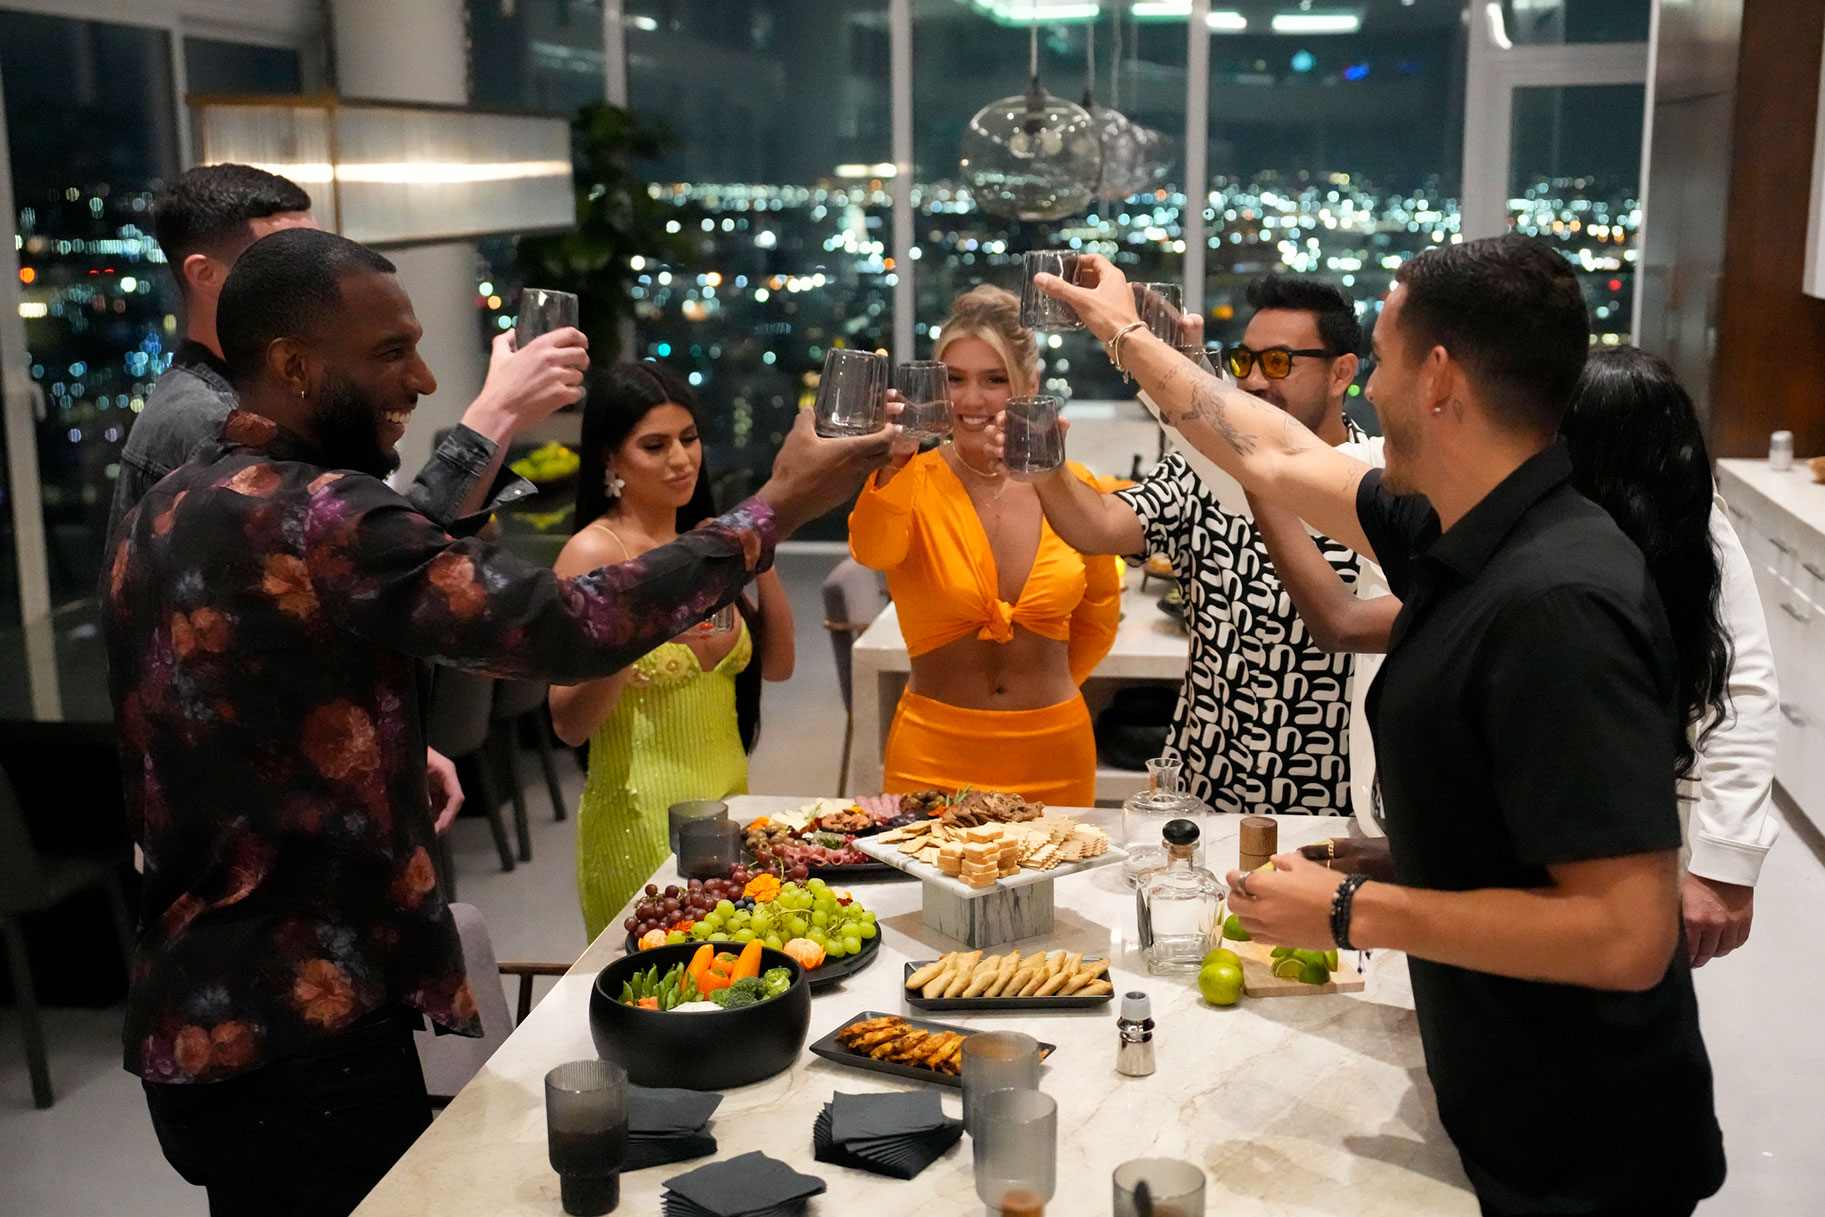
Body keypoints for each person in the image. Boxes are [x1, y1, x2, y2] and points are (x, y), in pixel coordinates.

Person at [104, 227, 894, 1217]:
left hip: (195, 1012)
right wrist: (774, 508)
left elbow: (263, 681)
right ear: (297, 365)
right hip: (307, 1023)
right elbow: (563, 626)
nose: (423, 377)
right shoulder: (322, 515)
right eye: (392, 352)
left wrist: (375, 752)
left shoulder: (172, 504)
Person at [1032, 237, 1724, 1217]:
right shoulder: (1459, 527)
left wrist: (1354, 911)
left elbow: (1627, 933)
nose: (1372, 392)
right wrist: (1118, 327)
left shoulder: (1558, 602)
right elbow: (1265, 448)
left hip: (1580, 1142)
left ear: (1438, 379)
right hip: (1499, 1088)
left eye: (1388, 359)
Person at [1252, 346, 1780, 967]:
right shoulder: (1496, 505)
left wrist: (1727, 864)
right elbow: (1289, 458)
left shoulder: (1648, 542)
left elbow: (1741, 688)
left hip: (1599, 854)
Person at [1031, 274, 1391, 814]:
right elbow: (1100, 527)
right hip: (1204, 791)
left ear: (1342, 371)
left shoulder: (1375, 484)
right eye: (1245, 363)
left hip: (1333, 806)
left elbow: (1349, 625)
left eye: (1278, 363)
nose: (1253, 383)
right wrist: (1046, 464)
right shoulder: (1201, 474)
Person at [107, 162, 588, 542]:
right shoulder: (207, 423)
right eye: (287, 257)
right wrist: (497, 412)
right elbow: (383, 564)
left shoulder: (256, 395)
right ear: (205, 275)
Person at [847, 285, 1121, 806]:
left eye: (994, 380)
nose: (971, 401)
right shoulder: (912, 476)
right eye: (954, 380)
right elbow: (874, 552)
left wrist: (1044, 698)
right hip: (932, 752)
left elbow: (1100, 616)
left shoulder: (1071, 485)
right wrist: (896, 459)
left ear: (1030, 384)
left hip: (1053, 750)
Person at [549, 362, 794, 938]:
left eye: (689, 439)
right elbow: (568, 724)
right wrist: (641, 615)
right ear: (610, 457)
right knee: (661, 997)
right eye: (654, 446)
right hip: (637, 824)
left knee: (735, 985)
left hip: (730, 814)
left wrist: (758, 560)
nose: (681, 460)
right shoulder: (593, 554)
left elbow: (778, 667)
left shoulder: (701, 543)